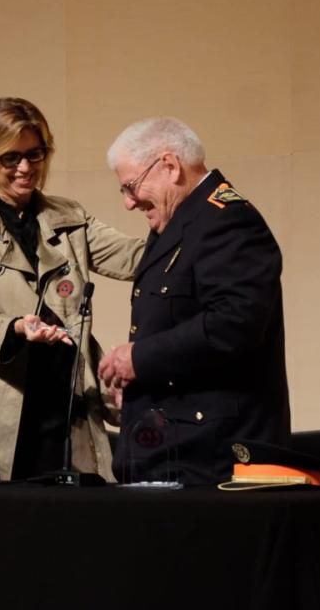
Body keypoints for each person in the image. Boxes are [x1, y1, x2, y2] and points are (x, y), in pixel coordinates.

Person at [0, 98, 144, 480]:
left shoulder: (70, 219)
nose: (25, 168)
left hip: (60, 400)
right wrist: (17, 327)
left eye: (34, 155)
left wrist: (190, 224)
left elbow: (134, 258)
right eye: (11, 158)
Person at [98, 117, 290, 485]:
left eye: (131, 186)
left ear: (169, 166)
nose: (128, 202)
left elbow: (233, 324)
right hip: (175, 455)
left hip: (213, 461)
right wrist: (141, 388)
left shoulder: (228, 221)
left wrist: (139, 358)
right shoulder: (181, 221)